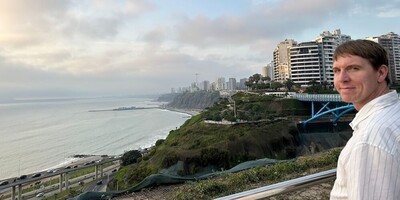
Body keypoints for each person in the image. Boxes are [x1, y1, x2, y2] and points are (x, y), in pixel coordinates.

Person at [330, 39, 400, 199]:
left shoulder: (371, 138)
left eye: (354, 68)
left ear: (381, 73)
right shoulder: (394, 114)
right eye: (336, 70)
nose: (342, 79)